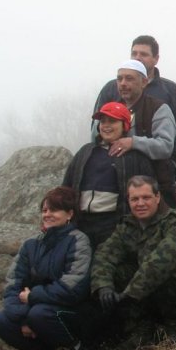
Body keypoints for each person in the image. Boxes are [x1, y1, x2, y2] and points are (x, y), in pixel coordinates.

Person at [90, 176, 176, 346]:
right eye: (135, 199)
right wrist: (103, 286)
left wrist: (130, 294)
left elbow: (161, 262)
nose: (140, 203)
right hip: (146, 288)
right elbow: (105, 254)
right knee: (118, 272)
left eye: (146, 197)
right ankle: (142, 324)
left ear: (157, 197)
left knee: (168, 272)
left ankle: (174, 324)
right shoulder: (126, 226)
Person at [0, 187, 96, 350]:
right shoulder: (30, 244)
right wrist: (23, 318)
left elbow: (72, 289)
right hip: (35, 309)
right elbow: (13, 284)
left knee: (39, 314)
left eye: (54, 210)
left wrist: (32, 297)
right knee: (0, 320)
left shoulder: (79, 241)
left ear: (70, 214)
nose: (47, 214)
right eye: (44, 210)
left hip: (71, 311)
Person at [94, 35, 176, 207]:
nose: (123, 83)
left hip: (157, 178)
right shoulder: (110, 91)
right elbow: (96, 132)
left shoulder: (167, 94)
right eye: (134, 53)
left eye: (144, 54)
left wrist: (174, 164)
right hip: (115, 179)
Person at [64, 102, 155, 247]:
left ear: (125, 125)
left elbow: (150, 193)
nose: (106, 125)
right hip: (81, 223)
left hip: (114, 225)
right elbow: (66, 188)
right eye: (103, 121)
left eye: (112, 121)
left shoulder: (136, 157)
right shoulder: (84, 152)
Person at [96, 60, 176, 208]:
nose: (123, 83)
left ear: (144, 82)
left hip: (155, 187)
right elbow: (97, 142)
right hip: (116, 189)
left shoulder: (158, 108)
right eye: (119, 79)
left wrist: (133, 142)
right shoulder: (108, 110)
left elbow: (165, 147)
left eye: (129, 78)